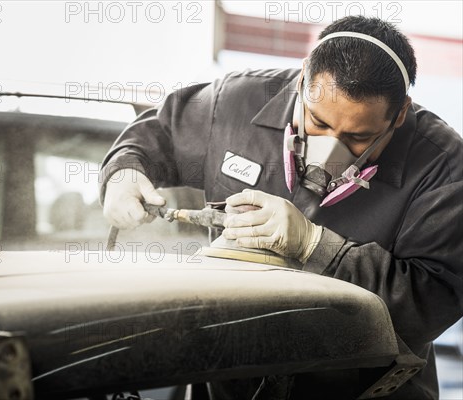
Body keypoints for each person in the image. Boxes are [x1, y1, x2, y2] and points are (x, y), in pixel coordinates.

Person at [99, 16, 462, 399]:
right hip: (231, 381)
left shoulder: (444, 169)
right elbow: (156, 134)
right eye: (318, 122)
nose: (330, 150)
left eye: (358, 137)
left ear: (400, 113)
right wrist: (123, 172)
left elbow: (430, 305)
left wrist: (314, 245)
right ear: (304, 78)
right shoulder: (235, 104)